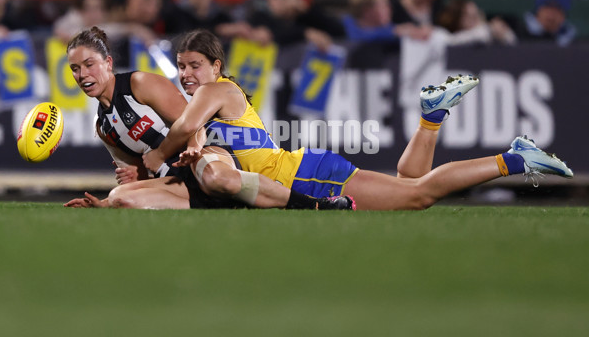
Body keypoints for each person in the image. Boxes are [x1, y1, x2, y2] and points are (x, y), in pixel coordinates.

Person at [142, 29, 573, 211]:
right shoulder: (208, 104)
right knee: (410, 185)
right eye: (180, 66)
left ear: (216, 67)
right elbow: (194, 138)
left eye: (194, 65)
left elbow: (181, 130)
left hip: (306, 177)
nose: (184, 75)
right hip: (300, 174)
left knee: (418, 196)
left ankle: (514, 160)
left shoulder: (218, 91)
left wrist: (157, 156)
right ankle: (431, 119)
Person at [64, 27, 354, 210]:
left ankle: (313, 206)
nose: (82, 75)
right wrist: (114, 192)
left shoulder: (139, 84)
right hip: (175, 179)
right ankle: (234, 204)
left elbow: (192, 123)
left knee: (216, 177)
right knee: (118, 197)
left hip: (205, 159)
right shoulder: (103, 128)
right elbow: (143, 169)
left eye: (89, 64)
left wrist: (193, 147)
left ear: (108, 64)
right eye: (75, 69)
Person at [247, 0, 345, 52]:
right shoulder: (260, 16)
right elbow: (277, 35)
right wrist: (305, 33)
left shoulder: (305, 17)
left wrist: (307, 10)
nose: (284, 0)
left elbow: (339, 31)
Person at [342, 0, 431, 42]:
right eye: (383, 4)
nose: (389, 8)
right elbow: (358, 37)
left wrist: (416, 31)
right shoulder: (346, 25)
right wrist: (395, 33)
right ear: (367, 9)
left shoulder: (390, 28)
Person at [437, 0, 517, 46]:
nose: (477, 21)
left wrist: (502, 33)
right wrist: (489, 30)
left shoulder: (489, 35)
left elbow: (512, 41)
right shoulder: (452, 38)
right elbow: (453, 41)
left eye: (477, 15)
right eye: (470, 17)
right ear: (457, 21)